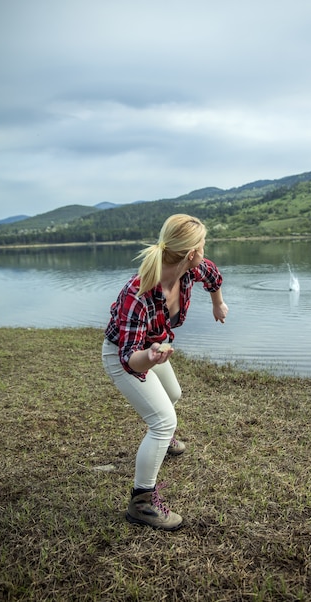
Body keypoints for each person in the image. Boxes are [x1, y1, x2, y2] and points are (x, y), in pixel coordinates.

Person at [102, 214, 228, 530]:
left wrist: (218, 304)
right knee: (163, 421)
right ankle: (141, 504)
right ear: (190, 253)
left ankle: (163, 442)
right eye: (203, 245)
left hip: (152, 348)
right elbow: (131, 359)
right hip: (125, 355)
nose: (204, 251)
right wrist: (153, 355)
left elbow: (213, 276)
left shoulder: (192, 269)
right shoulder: (138, 291)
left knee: (173, 395)